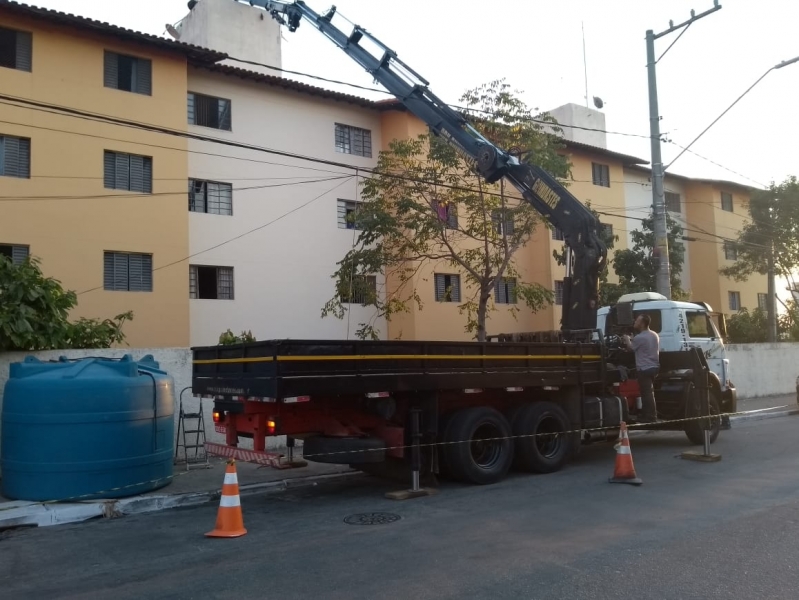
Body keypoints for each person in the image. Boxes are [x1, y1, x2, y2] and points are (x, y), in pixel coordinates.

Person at [621, 314, 660, 423]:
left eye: (637, 320)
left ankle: (650, 416)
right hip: (654, 367)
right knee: (649, 392)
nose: (635, 322)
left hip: (644, 369)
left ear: (642, 324)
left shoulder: (640, 337)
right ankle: (650, 415)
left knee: (646, 393)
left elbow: (630, 348)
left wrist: (627, 339)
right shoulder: (654, 335)